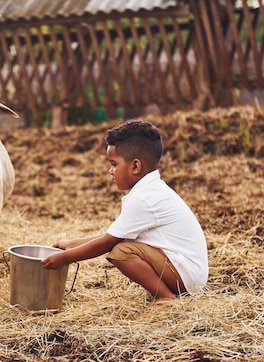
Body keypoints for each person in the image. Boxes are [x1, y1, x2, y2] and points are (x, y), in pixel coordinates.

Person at [41, 120, 208, 300]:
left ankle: (166, 298)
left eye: (114, 164)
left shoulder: (144, 198)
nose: (110, 171)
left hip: (187, 276)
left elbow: (107, 242)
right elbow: (113, 235)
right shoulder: (149, 190)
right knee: (121, 245)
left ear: (135, 166)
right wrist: (71, 244)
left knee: (122, 252)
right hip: (187, 272)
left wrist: (66, 258)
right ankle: (166, 294)